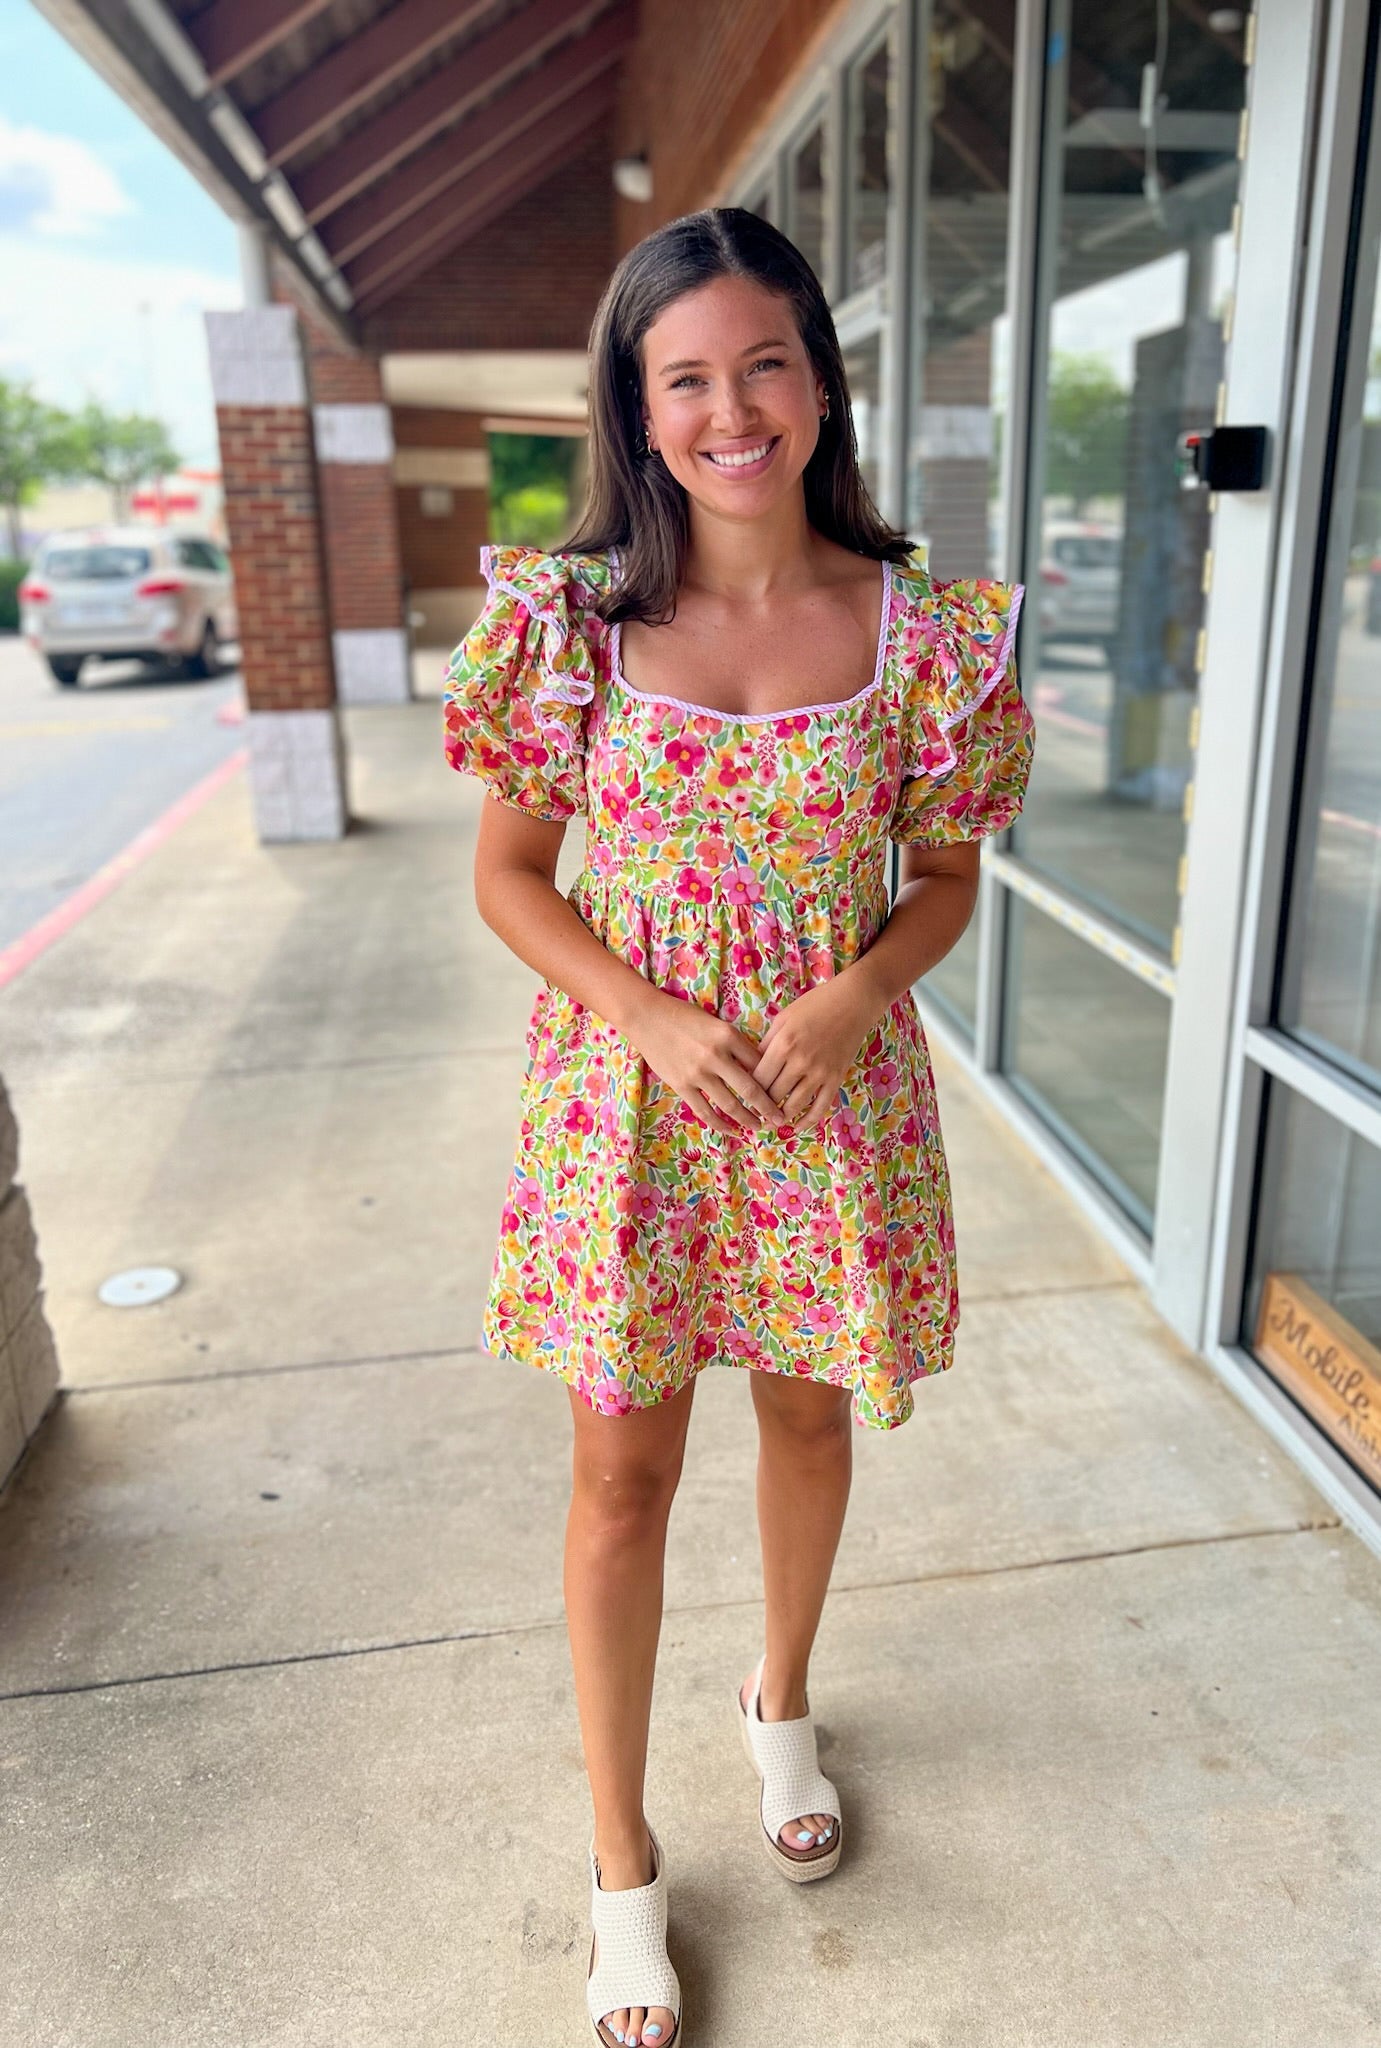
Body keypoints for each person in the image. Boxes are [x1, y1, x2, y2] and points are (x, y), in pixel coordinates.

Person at [441, 206, 1035, 2048]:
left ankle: (779, 1698)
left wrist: (853, 993)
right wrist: (639, 1010)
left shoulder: (923, 625)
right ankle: (621, 1862)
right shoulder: (565, 625)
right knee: (621, 1476)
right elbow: (513, 879)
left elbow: (940, 880)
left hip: (825, 1093)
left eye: (761, 362)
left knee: (802, 1417)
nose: (729, 410)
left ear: (817, 376)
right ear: (638, 403)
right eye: (683, 377)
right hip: (630, 1104)